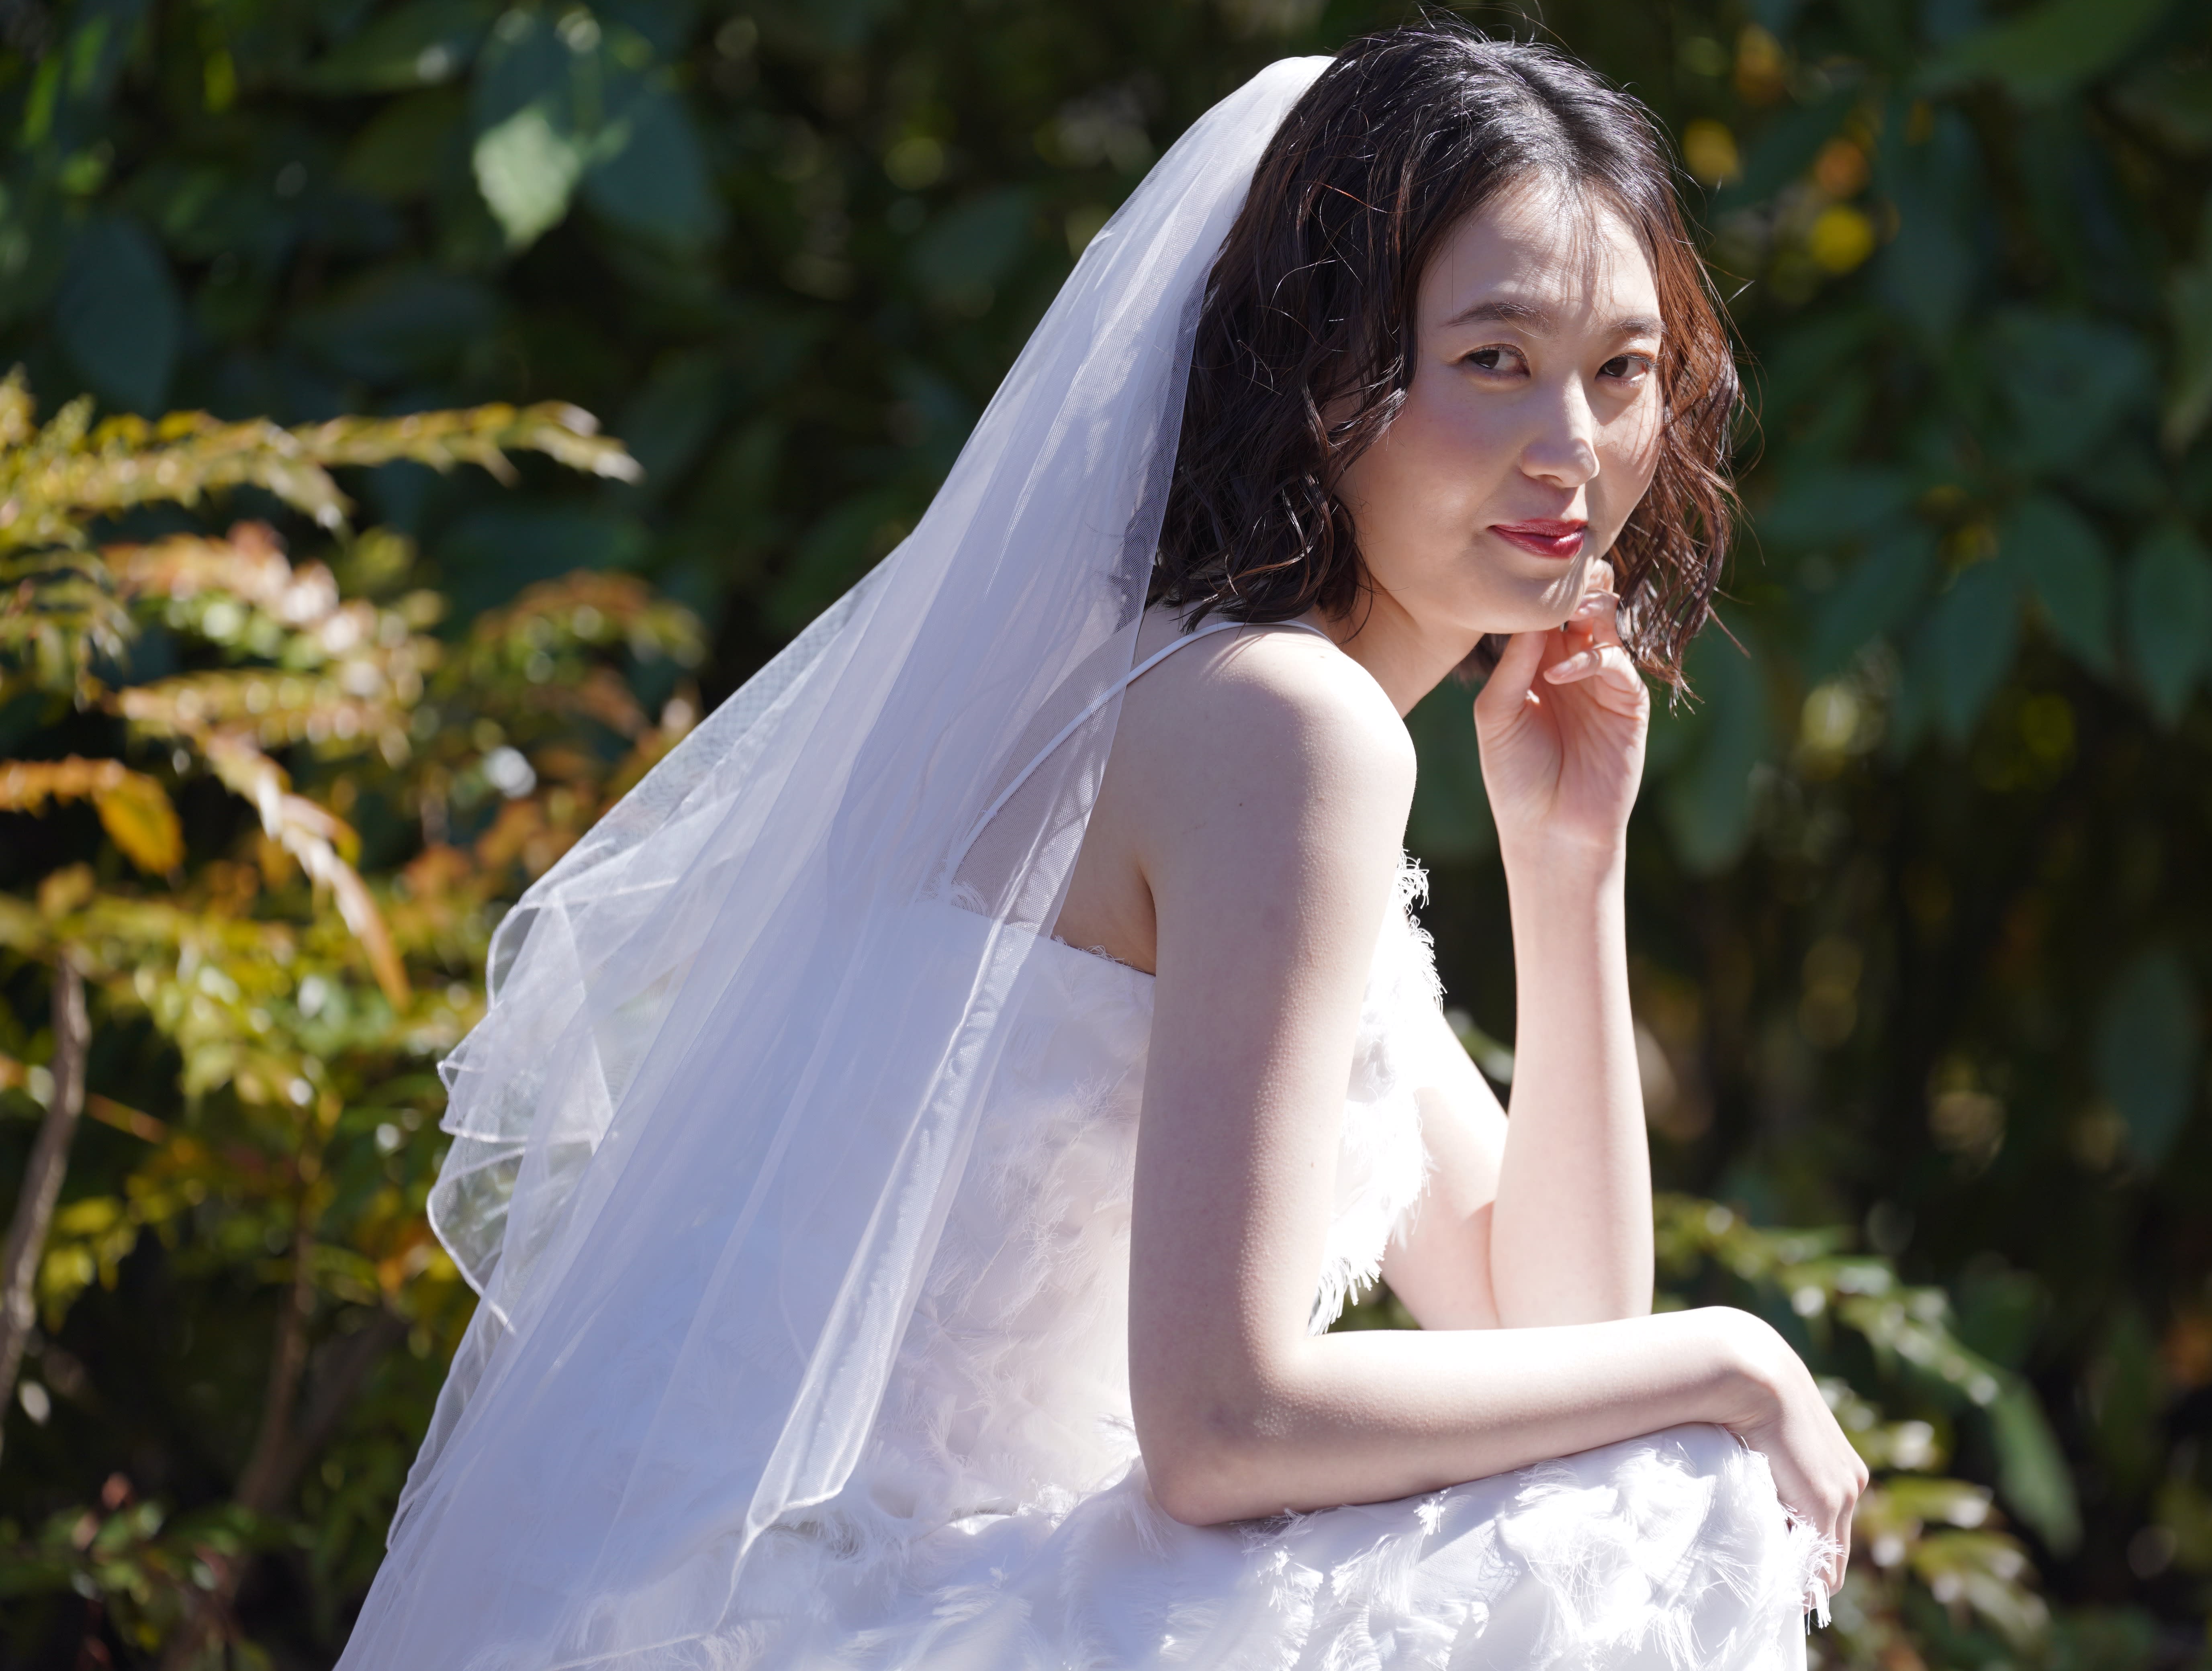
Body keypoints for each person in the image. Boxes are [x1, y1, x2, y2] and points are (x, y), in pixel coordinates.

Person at [342, 23, 1863, 1671]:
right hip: (841, 1616)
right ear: (1323, 368)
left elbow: (1549, 1336)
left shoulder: (1215, 703)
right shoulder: (1279, 728)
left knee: (1646, 1469)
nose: (1571, 443)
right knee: (1685, 1484)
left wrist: (1570, 866)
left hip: (815, 1594)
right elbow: (1225, 1425)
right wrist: (1736, 1358)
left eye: (1623, 371)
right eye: (1494, 357)